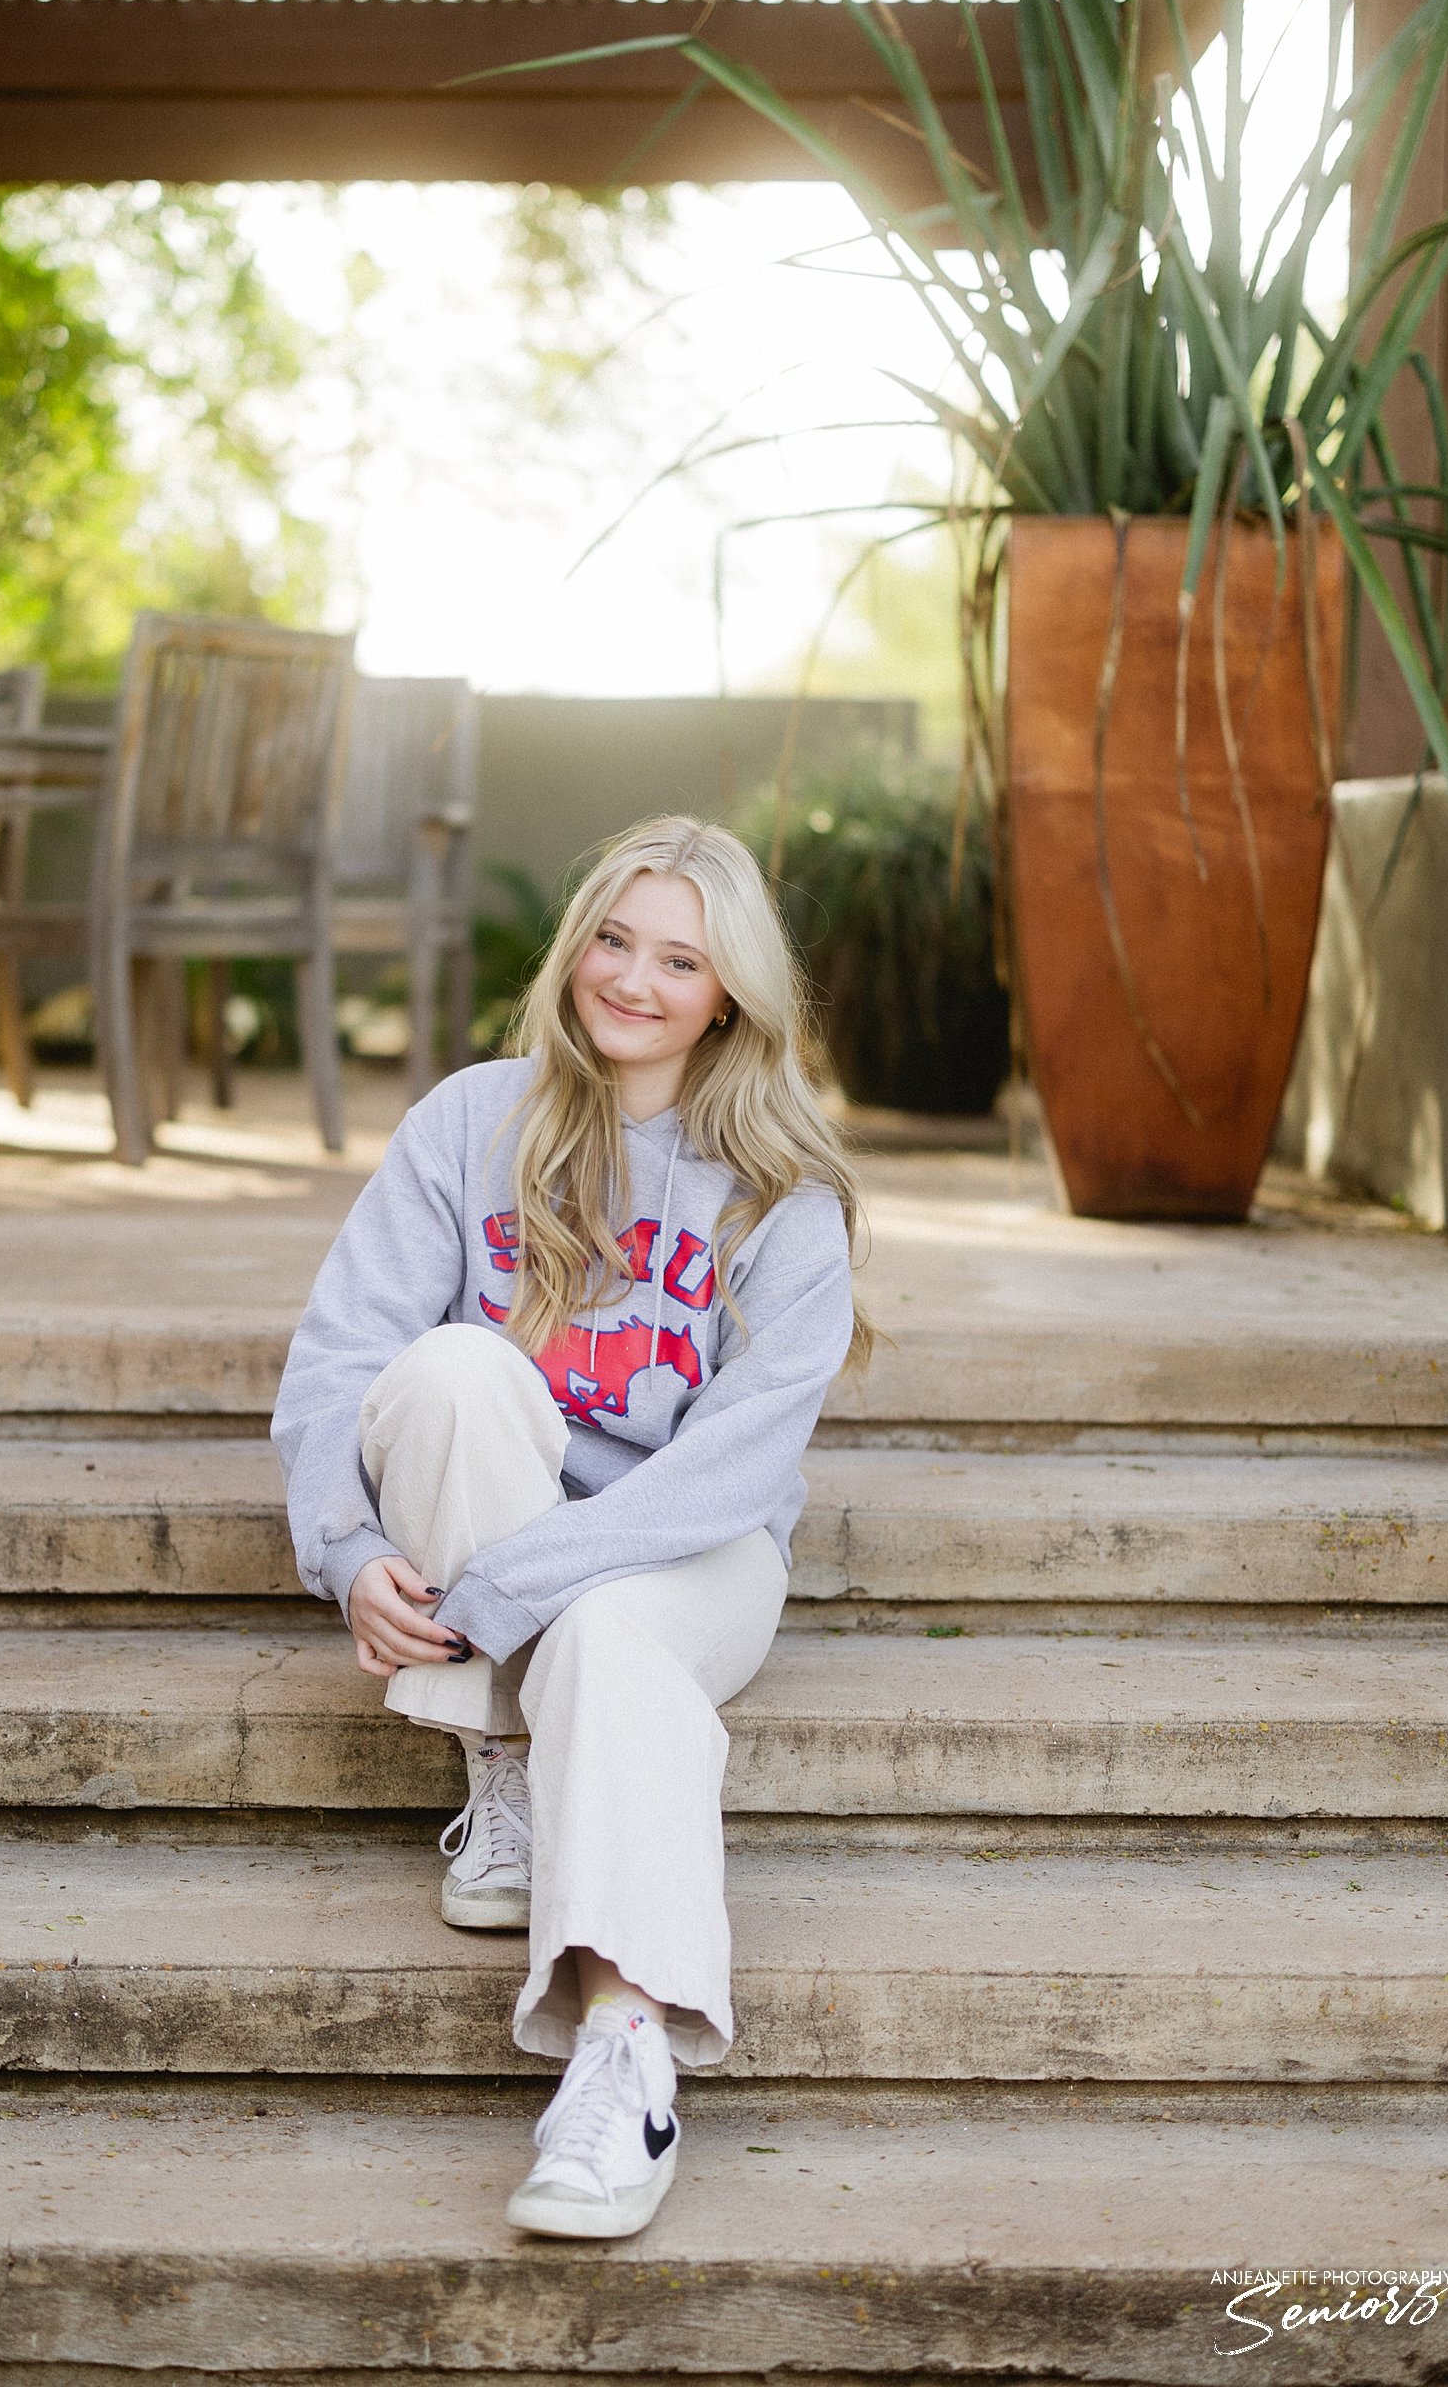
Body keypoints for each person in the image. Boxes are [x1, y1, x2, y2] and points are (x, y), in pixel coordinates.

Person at [272, 815, 870, 2240]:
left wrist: (508, 1591)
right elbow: (337, 1365)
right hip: (499, 1529)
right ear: (574, 946)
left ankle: (625, 2058)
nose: (636, 980)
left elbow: (730, 1470)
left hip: (694, 1559)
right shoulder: (468, 1123)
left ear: (729, 993)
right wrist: (349, 1553)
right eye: (614, 938)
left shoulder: (784, 1189)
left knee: (608, 1629)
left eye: (681, 958)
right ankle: (505, 1775)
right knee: (450, 1371)